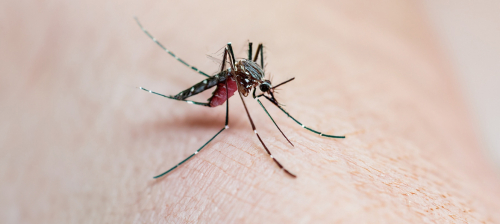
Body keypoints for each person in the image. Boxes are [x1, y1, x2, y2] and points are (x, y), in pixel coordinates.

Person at [1, 0, 499, 222]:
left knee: (250, 64)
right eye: (267, 91)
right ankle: (214, 121)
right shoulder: (242, 86)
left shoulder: (259, 77)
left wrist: (281, 104)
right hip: (226, 81)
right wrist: (237, 92)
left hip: (242, 75)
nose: (268, 98)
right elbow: (250, 88)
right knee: (234, 106)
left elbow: (260, 81)